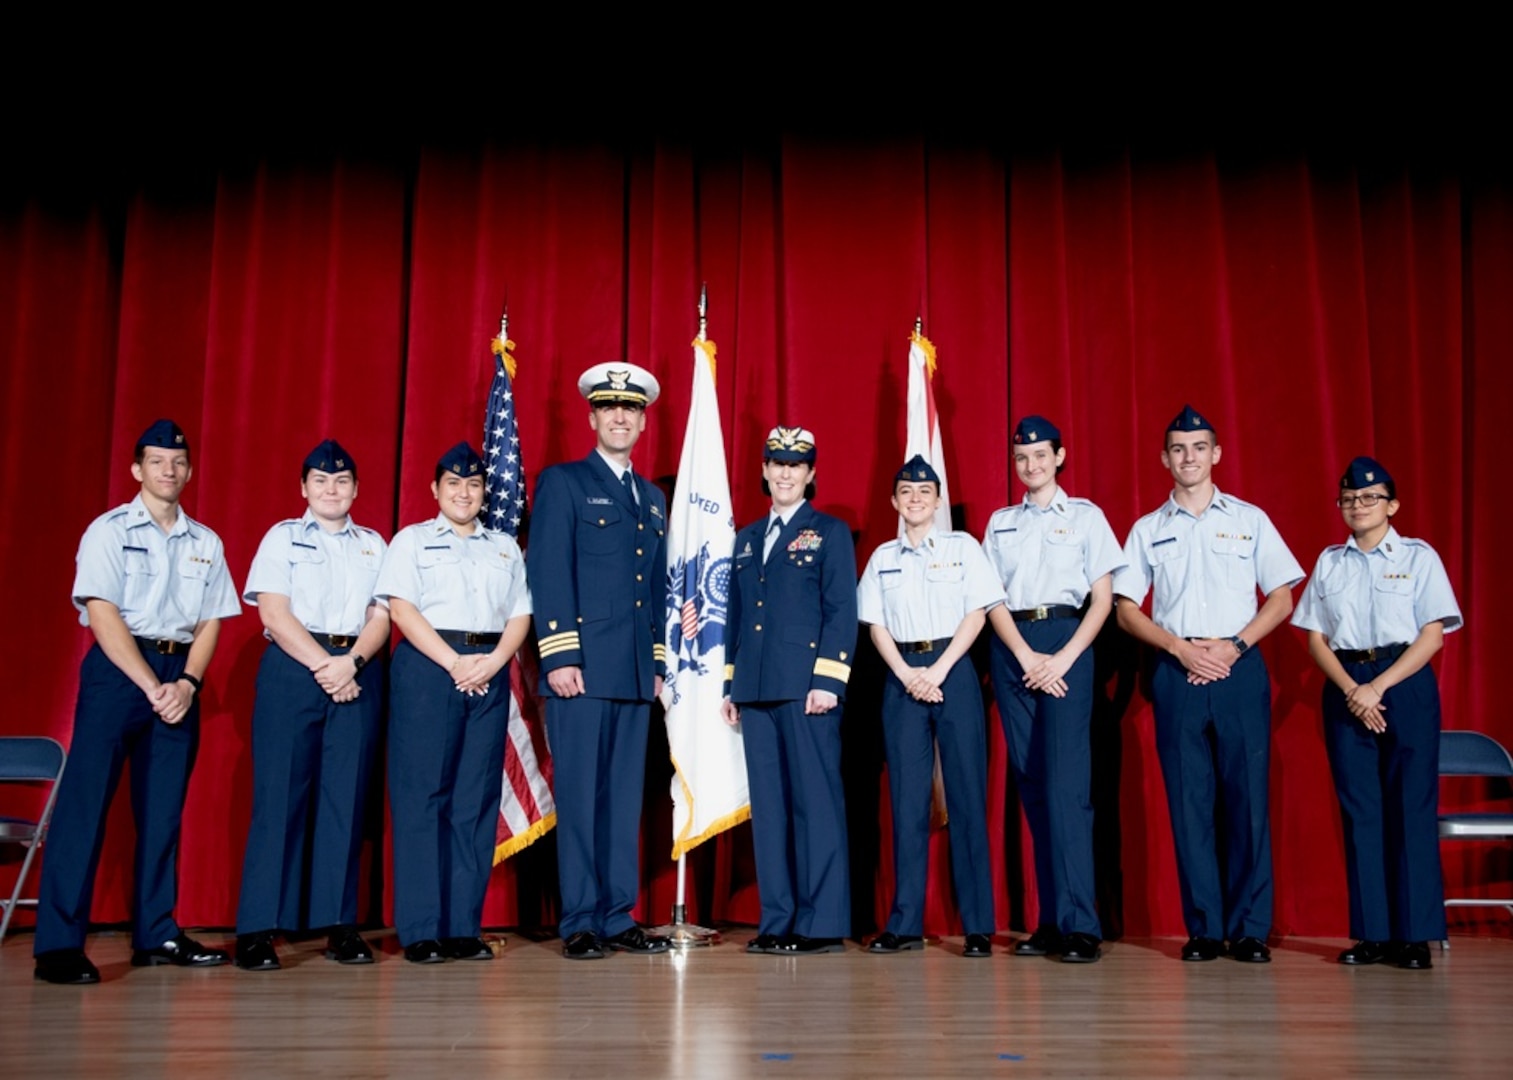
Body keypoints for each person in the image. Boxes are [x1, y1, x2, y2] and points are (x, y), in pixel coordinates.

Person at [33, 419, 241, 985]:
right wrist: (152, 685)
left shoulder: (207, 542)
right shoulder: (108, 530)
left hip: (180, 677)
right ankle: (57, 946)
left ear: (189, 471)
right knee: (85, 808)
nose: (168, 471)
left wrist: (189, 684)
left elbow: (211, 622)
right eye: (156, 462)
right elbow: (102, 614)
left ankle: (157, 933)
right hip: (120, 673)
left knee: (163, 812)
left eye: (177, 463)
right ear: (137, 470)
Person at [1113, 405, 1303, 963]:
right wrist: (1177, 647)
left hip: (1238, 666)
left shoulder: (1249, 519)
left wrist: (1236, 646)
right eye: (1178, 449)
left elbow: (1282, 596)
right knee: (1189, 801)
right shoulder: (1149, 529)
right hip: (1177, 669)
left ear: (1216, 454)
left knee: (1246, 800)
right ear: (1164, 458)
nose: (1188, 457)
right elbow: (1126, 608)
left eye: (1198, 448)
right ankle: (1203, 927)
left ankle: (1249, 928)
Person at [1292, 456, 1462, 970]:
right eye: (1348, 499)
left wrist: (1378, 686)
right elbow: (1314, 637)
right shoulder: (1330, 562)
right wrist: (1352, 689)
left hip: (1403, 682)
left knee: (1410, 807)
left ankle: (1414, 936)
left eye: (1369, 499)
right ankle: (1373, 934)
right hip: (1346, 684)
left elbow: (1432, 634)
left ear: (1392, 505)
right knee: (1361, 810)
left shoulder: (1418, 557)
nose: (1357, 507)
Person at [530, 364, 672, 959]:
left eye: (631, 410)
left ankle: (617, 915)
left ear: (642, 421)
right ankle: (582, 920)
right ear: (591, 417)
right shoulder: (563, 483)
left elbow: (659, 586)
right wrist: (560, 654)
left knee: (621, 802)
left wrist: (659, 661)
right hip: (581, 672)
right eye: (610, 408)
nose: (620, 417)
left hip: (635, 672)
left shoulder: (653, 497)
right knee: (583, 799)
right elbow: (548, 570)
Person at [233, 439, 389, 971]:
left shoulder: (374, 544)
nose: (331, 490)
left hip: (355, 672)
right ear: (304, 488)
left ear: (355, 490)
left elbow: (382, 616)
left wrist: (352, 664)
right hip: (295, 671)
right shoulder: (281, 539)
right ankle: (257, 928)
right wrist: (327, 665)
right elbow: (273, 613)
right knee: (279, 799)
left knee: (344, 802)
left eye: (342, 481)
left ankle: (338, 925)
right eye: (321, 481)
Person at [374, 442, 532, 963]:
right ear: (435, 490)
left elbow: (519, 615)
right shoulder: (411, 541)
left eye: (473, 485)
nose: (464, 493)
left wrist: (491, 663)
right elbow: (401, 608)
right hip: (429, 669)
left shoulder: (504, 547)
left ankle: (463, 926)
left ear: (484, 492)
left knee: (474, 800)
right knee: (423, 798)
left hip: (487, 670)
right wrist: (453, 663)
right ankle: (420, 930)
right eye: (453, 484)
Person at [982, 417, 1124, 963]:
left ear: (1060, 457)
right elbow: (991, 598)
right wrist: (1022, 655)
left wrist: (1063, 657)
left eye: (1041, 455)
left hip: (1068, 641)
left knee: (1069, 790)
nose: (1031, 465)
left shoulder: (1087, 518)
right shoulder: (1000, 523)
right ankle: (1049, 921)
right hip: (1015, 644)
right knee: (1034, 788)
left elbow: (1103, 600)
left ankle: (1081, 924)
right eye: (1022, 458)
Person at [858, 455, 1002, 958]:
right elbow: (875, 624)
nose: (915, 499)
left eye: (925, 492)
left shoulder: (963, 548)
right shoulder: (881, 558)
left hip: (953, 672)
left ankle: (978, 925)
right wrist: (907, 676)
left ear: (938, 501)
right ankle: (904, 923)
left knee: (967, 797)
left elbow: (977, 613)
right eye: (906, 492)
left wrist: (938, 672)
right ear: (894, 501)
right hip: (902, 678)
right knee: (906, 804)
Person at [722, 426, 858, 955]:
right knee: (772, 811)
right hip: (756, 691)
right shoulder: (748, 538)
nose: (784, 473)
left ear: (811, 474)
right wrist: (733, 682)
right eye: (776, 463)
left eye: (795, 465)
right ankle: (777, 919)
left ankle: (820, 923)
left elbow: (840, 610)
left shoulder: (829, 532)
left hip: (807, 690)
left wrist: (828, 681)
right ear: (763, 470)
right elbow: (738, 616)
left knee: (815, 807)